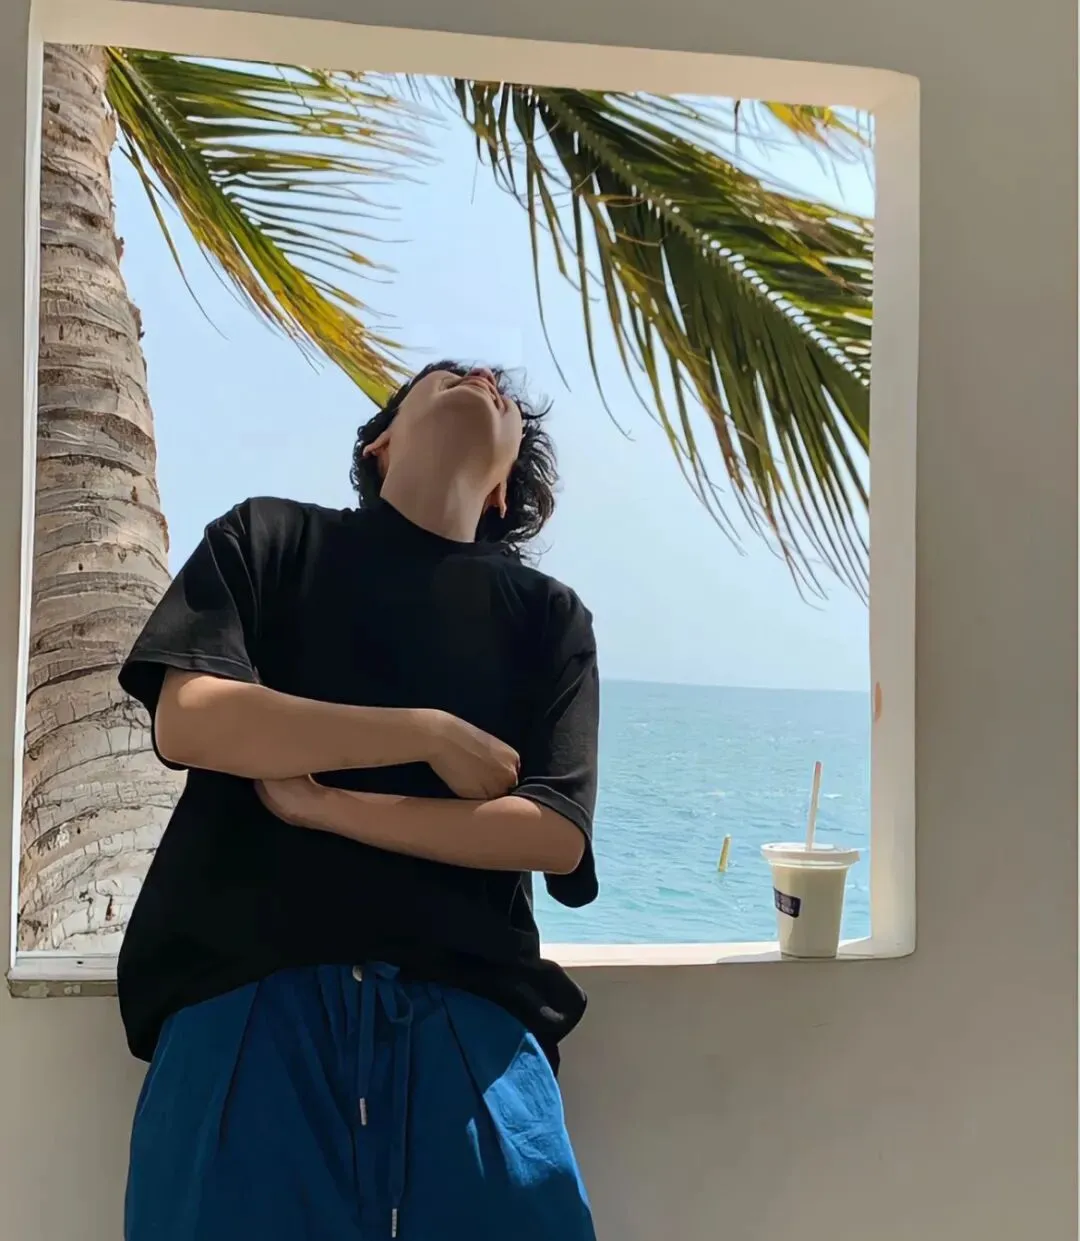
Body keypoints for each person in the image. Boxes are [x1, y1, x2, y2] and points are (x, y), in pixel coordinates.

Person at [118, 362, 600, 1241]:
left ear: (503, 488)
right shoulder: (269, 538)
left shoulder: (548, 617)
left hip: (474, 1028)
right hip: (244, 1005)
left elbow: (552, 832)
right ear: (380, 443)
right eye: (444, 375)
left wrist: (324, 807)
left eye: (498, 392)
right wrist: (427, 734)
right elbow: (190, 718)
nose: (478, 376)